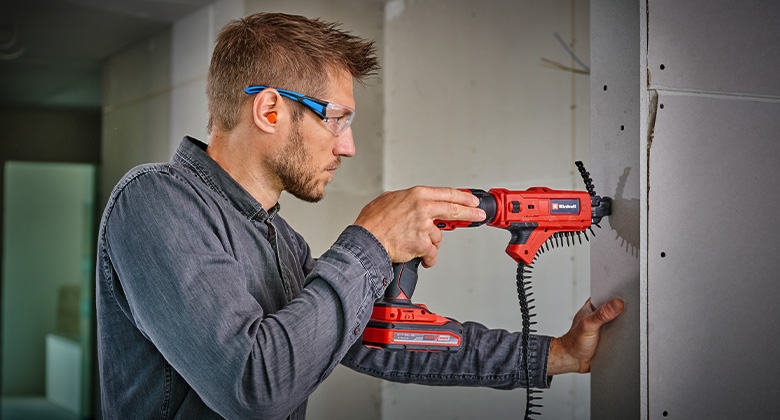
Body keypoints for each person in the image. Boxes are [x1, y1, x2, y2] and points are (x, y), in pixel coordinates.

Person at [96, 12, 623, 419]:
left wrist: (555, 354)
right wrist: (370, 242)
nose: (346, 147)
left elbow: (381, 340)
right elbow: (254, 387)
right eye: (336, 119)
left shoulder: (278, 239)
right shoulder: (153, 201)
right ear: (270, 110)